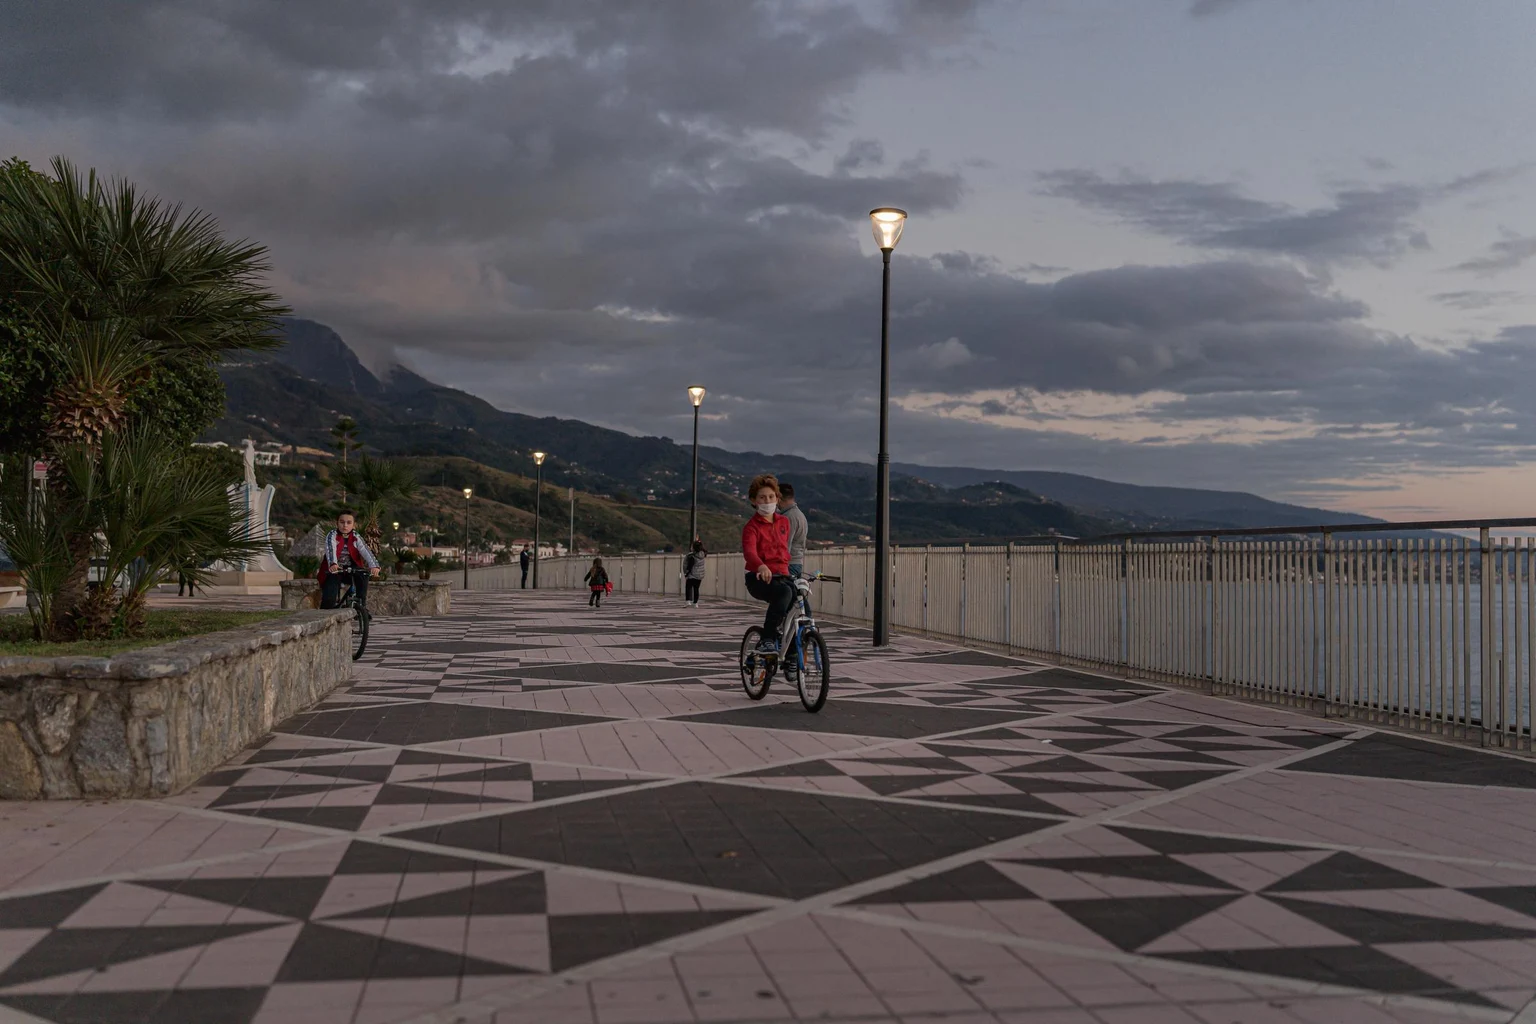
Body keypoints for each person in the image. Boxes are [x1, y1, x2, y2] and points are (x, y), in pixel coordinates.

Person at [742, 474, 794, 654]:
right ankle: (767, 638)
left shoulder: (784, 522)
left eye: (771, 497)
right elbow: (749, 552)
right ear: (753, 500)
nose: (767, 501)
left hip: (782, 575)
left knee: (800, 600)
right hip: (758, 577)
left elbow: (783, 551)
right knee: (784, 593)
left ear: (777, 498)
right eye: (762, 497)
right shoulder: (751, 527)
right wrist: (761, 566)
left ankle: (794, 653)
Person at [320, 509, 380, 609]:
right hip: (334, 570)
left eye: (349, 523)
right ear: (337, 523)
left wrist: (374, 565)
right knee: (329, 596)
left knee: (363, 576)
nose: (345, 525)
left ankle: (361, 606)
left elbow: (366, 551)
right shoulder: (332, 535)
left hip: (351, 569)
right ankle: (326, 612)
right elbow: (331, 549)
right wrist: (333, 564)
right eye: (342, 522)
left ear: (354, 525)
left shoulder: (356, 536)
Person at [777, 482, 808, 578]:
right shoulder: (799, 514)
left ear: (779, 497)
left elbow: (785, 545)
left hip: (789, 565)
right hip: (796, 563)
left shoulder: (788, 517)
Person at [682, 540, 706, 607]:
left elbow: (690, 566)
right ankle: (695, 603)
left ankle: (688, 601)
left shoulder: (692, 556)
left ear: (694, 548)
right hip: (700, 575)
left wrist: (686, 574)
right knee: (696, 588)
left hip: (692, 575)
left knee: (688, 587)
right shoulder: (702, 555)